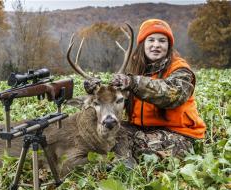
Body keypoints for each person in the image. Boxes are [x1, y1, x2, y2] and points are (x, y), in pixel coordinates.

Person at [87, 19, 206, 159]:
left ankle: (124, 166)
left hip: (180, 134)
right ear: (143, 44)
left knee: (131, 144)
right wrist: (96, 91)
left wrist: (134, 83)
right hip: (142, 129)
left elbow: (172, 95)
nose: (156, 45)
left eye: (162, 41)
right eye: (151, 40)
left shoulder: (180, 70)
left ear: (169, 45)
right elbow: (115, 99)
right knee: (102, 133)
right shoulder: (136, 69)